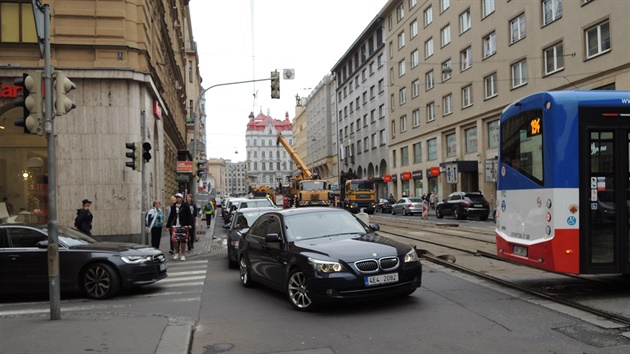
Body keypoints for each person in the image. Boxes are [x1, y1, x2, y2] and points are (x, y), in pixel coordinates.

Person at [166, 193, 193, 261]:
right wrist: (168, 226)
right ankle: (177, 251)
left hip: (183, 225)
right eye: (176, 197)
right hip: (175, 225)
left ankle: (183, 254)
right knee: (174, 240)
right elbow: (171, 217)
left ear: (181, 198)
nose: (177, 199)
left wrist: (190, 224)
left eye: (178, 197)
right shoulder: (173, 206)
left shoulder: (185, 205)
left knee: (183, 241)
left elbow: (189, 215)